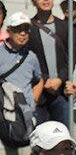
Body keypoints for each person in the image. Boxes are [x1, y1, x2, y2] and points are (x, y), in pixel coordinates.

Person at [0, 12, 44, 155]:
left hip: (25, 119)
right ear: (9, 31)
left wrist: (33, 101)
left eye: (26, 29)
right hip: (3, 118)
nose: (23, 33)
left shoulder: (31, 57)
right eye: (18, 29)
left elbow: (39, 80)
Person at [27, 0, 69, 126]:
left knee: (63, 134)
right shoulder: (29, 28)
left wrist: (60, 79)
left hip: (61, 93)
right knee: (38, 134)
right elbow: (27, 60)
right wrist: (44, 79)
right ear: (33, 2)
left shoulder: (64, 26)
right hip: (39, 93)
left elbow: (71, 58)